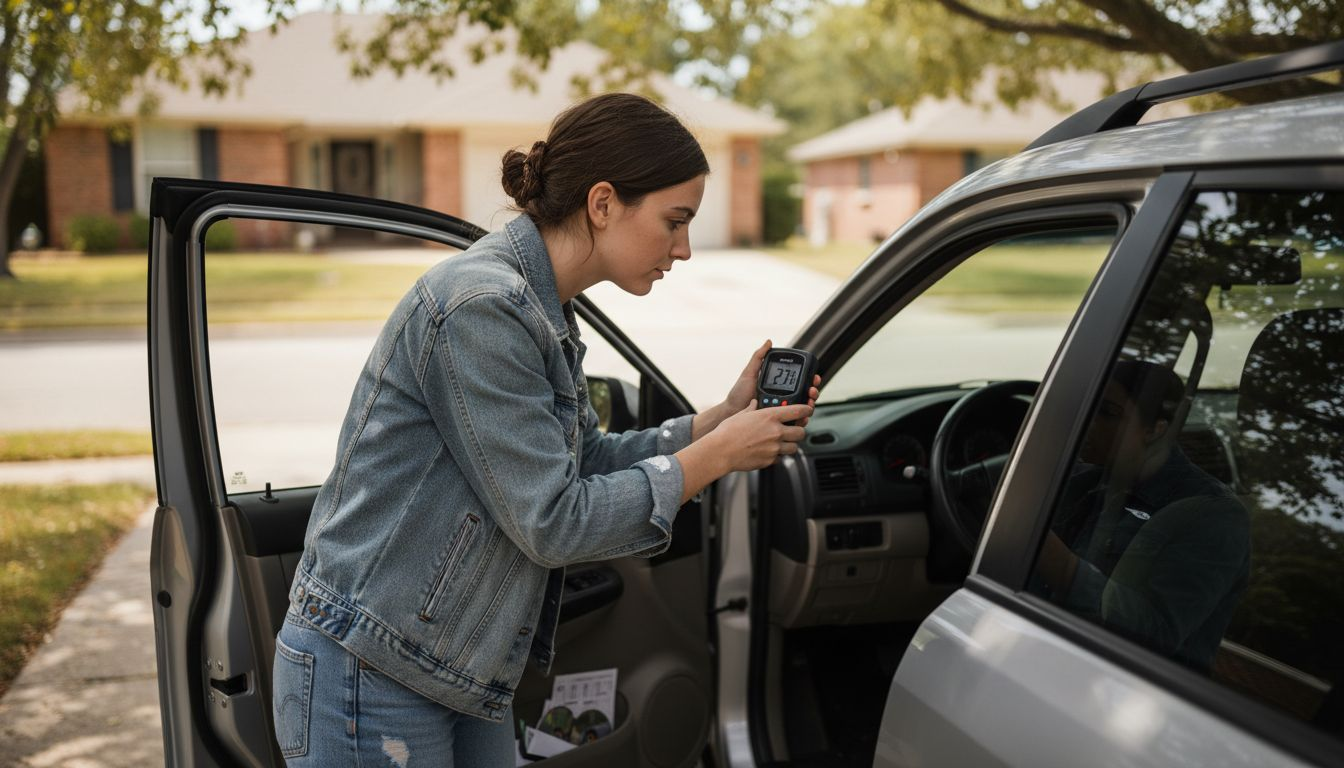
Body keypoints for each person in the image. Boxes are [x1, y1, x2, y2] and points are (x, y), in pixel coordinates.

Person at [269, 92, 819, 767]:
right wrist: (712, 459)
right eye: (674, 221)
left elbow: (579, 459)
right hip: (371, 670)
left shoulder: (542, 306)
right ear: (603, 203)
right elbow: (553, 521)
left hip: (457, 668)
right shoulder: (482, 307)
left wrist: (716, 423)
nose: (684, 249)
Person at [1032, 359, 1248, 671]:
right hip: (1053, 654)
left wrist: (1052, 557)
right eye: (1088, 405)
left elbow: (1154, 635)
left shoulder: (1213, 516)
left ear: (1156, 430)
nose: (1088, 421)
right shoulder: (1083, 479)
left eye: (1106, 413)